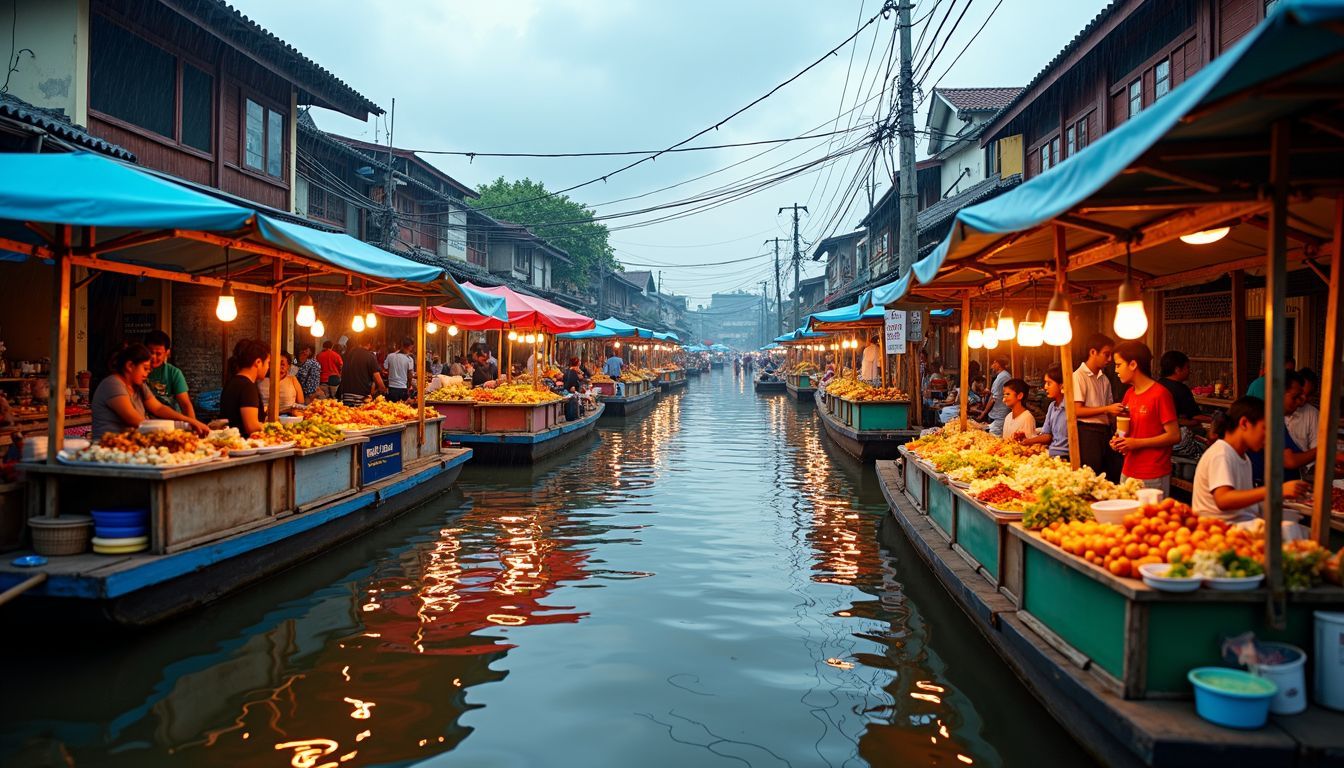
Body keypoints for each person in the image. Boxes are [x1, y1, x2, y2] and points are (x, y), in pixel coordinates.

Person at [1194, 396, 1309, 522]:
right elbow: (1223, 499)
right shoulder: (1221, 454)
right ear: (1244, 423)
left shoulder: (1244, 458)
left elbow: (1243, 501)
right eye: (1264, 428)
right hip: (1219, 531)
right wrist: (1276, 490)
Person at [91, 344, 209, 440]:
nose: (147, 373)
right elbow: (137, 421)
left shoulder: (140, 386)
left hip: (131, 446)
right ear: (130, 366)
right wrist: (181, 427)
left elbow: (158, 408)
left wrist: (190, 421)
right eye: (145, 368)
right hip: (107, 449)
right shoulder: (113, 384)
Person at [1110, 341, 1180, 494]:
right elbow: (1126, 429)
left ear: (1133, 364)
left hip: (1152, 473)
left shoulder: (1160, 394)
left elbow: (1174, 436)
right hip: (1128, 470)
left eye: (1118, 364)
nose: (1116, 370)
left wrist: (1137, 443)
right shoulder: (1129, 393)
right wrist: (1118, 439)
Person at [1073, 333, 1123, 478]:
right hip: (1088, 433)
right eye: (1106, 354)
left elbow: (1109, 410)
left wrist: (1118, 415)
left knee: (1110, 474)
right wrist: (1107, 409)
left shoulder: (1104, 379)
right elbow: (1076, 410)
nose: (1109, 359)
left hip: (1105, 432)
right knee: (1092, 475)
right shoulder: (1078, 376)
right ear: (1093, 352)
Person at [1157, 350, 1207, 459]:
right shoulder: (1181, 389)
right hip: (1177, 440)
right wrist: (1214, 419)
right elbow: (1195, 416)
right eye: (1187, 368)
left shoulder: (1157, 384)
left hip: (1159, 438)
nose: (1190, 371)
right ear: (1177, 370)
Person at [219, 339, 271, 437]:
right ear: (258, 362)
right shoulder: (247, 387)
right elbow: (251, 426)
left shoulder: (232, 382)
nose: (268, 367)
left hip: (232, 442)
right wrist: (273, 427)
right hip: (245, 445)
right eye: (268, 362)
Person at [143, 330, 195, 420]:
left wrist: (194, 425)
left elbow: (185, 404)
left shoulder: (174, 373)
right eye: (150, 352)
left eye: (158, 354)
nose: (153, 357)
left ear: (167, 353)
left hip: (170, 423)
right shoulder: (137, 371)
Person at [1024, 365, 1070, 459]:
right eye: (1045, 383)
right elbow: (1047, 435)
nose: (1045, 387)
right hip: (1051, 454)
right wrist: (1027, 441)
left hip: (1065, 456)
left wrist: (1027, 442)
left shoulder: (1070, 407)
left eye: (1049, 383)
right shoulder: (1052, 406)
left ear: (1061, 385)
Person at [340, 340, 385, 406]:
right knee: (360, 416)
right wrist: (382, 389)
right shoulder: (370, 356)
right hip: (362, 398)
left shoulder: (348, 355)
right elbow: (378, 379)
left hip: (346, 396)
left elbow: (342, 373)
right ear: (369, 344)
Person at [259, 351, 304, 415]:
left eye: (282, 364)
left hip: (289, 419)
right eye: (275, 364)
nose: (278, 368)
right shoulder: (260, 380)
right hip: (265, 418)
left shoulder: (292, 380)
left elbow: (301, 404)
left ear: (288, 366)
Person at [1287, 367, 1320, 454]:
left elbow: (1316, 447)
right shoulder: (1273, 415)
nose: (1303, 399)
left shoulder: (1313, 414)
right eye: (1299, 394)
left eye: (1308, 395)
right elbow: (1290, 460)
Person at [977, 356, 1011, 435]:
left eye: (993, 363)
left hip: (1000, 414)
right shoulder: (1002, 376)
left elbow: (993, 398)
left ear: (997, 364)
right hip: (997, 413)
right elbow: (997, 394)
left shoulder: (1002, 377)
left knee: (995, 436)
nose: (991, 366)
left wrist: (983, 413)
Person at [384, 337, 415, 402]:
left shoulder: (390, 356)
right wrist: (409, 386)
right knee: (402, 409)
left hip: (391, 388)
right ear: (410, 347)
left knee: (391, 409)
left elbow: (386, 369)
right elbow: (410, 375)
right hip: (402, 388)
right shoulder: (409, 359)